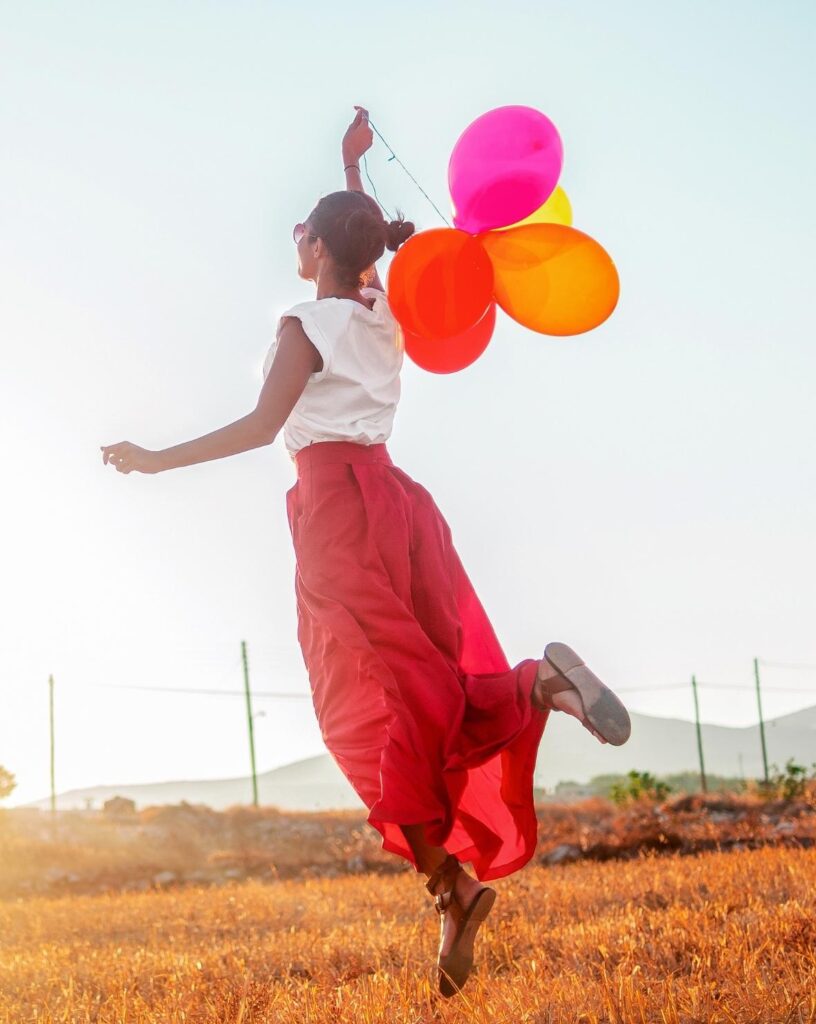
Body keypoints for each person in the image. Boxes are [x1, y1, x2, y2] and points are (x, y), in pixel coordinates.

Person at [100, 105, 632, 998]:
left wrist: (157, 459)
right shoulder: (383, 310)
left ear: (313, 250)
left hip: (338, 516)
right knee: (424, 687)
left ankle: (452, 877)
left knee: (367, 716)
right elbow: (364, 250)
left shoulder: (305, 326)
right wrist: (351, 171)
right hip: (402, 507)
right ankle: (496, 778)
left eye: (302, 235)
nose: (296, 243)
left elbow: (263, 426)